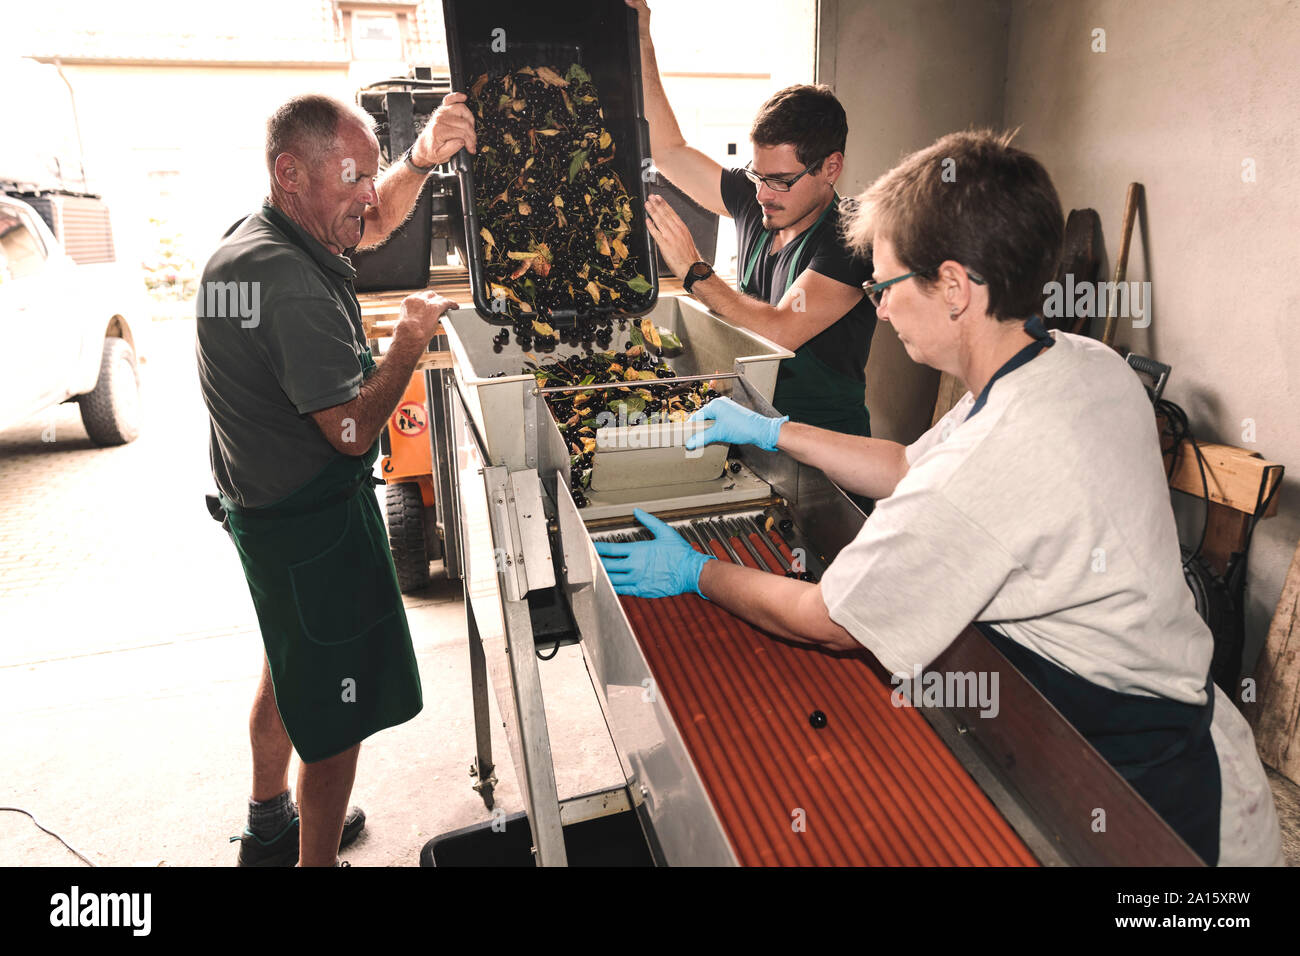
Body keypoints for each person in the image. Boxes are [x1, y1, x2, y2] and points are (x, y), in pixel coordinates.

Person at [596, 129, 1284, 866]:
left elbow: (827, 619)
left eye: (885, 288)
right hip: (1185, 741)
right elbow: (910, 464)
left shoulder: (997, 455)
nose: (880, 312)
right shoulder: (1082, 363)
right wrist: (775, 429)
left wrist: (696, 572)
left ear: (954, 286)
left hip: (1150, 803)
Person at [197, 92, 474, 866]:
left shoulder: (249, 247)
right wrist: (410, 339)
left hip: (258, 508)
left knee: (290, 669)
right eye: (354, 177)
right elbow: (352, 434)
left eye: (370, 175)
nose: (366, 197)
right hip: (311, 523)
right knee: (337, 715)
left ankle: (267, 827)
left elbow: (374, 222)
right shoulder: (285, 283)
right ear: (291, 172)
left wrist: (417, 161)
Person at [627, 0, 877, 438]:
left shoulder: (852, 236)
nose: (761, 193)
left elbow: (778, 332)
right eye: (757, 174)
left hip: (824, 457)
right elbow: (668, 151)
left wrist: (695, 272)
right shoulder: (758, 198)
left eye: (780, 180)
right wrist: (640, 32)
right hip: (751, 429)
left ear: (831, 168)